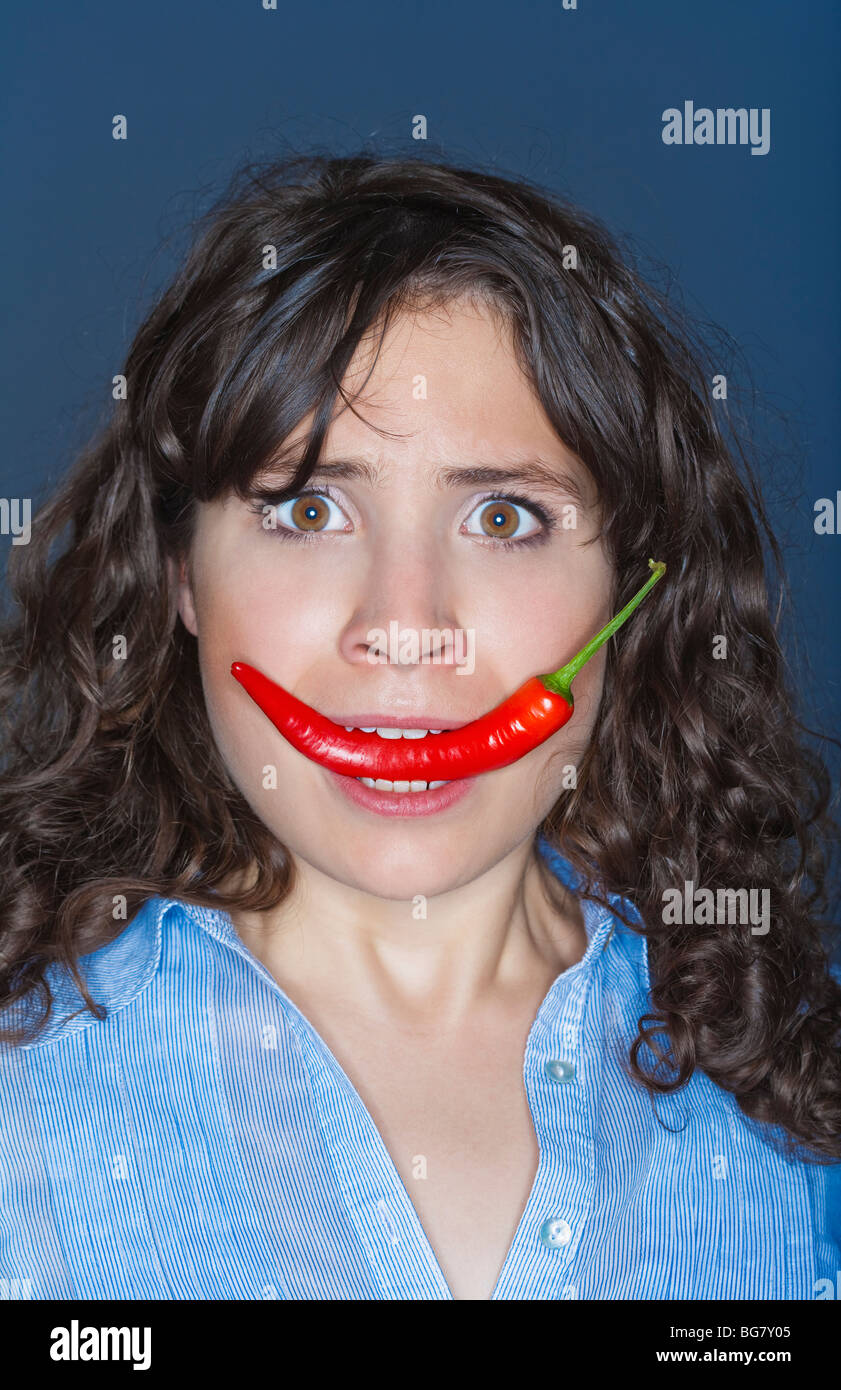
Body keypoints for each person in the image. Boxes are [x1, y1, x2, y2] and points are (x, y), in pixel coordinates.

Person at [0, 152, 838, 1302]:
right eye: (307, 508)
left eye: (502, 516)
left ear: (629, 590)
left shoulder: (804, 1082)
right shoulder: (20, 1092)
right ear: (181, 573)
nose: (404, 627)